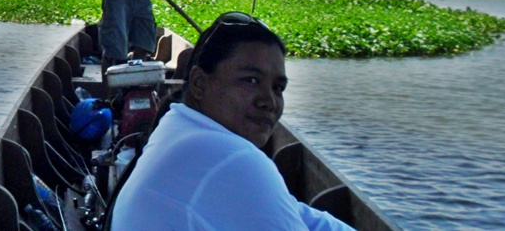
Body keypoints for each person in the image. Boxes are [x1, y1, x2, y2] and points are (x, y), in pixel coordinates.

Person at [110, 12, 355, 230]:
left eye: (278, 88)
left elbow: (297, 213)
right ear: (199, 83)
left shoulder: (177, 123)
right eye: (250, 80)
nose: (268, 101)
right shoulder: (230, 156)